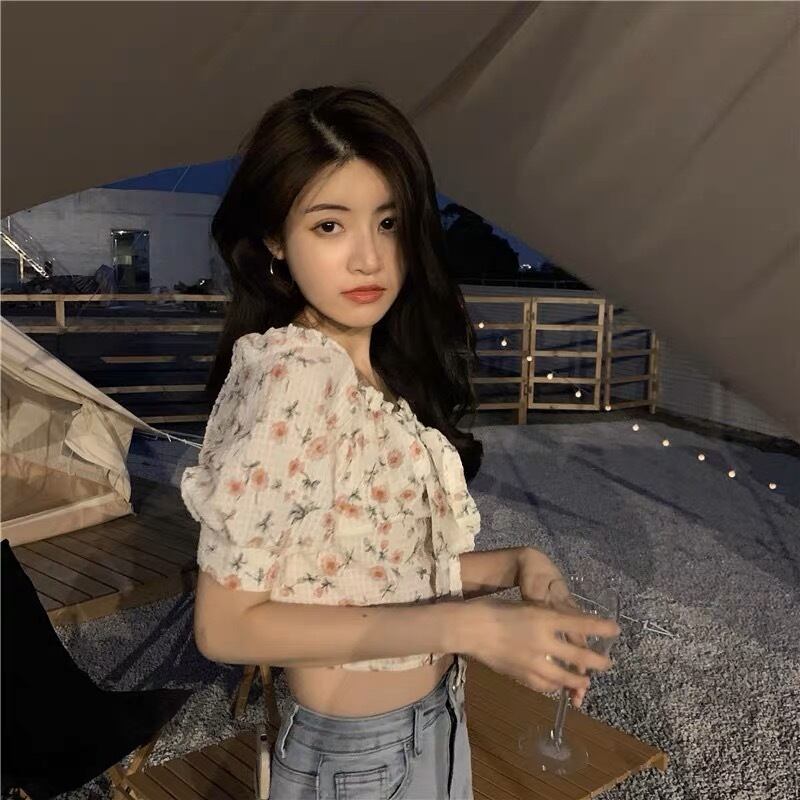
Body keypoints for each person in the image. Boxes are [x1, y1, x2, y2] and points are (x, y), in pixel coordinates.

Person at [180, 86, 620, 800]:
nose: (369, 258)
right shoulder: (295, 375)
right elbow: (225, 627)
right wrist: (471, 627)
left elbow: (372, 571)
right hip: (358, 760)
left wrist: (517, 564)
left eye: (388, 223)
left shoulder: (370, 370)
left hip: (430, 724)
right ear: (274, 240)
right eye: (330, 225)